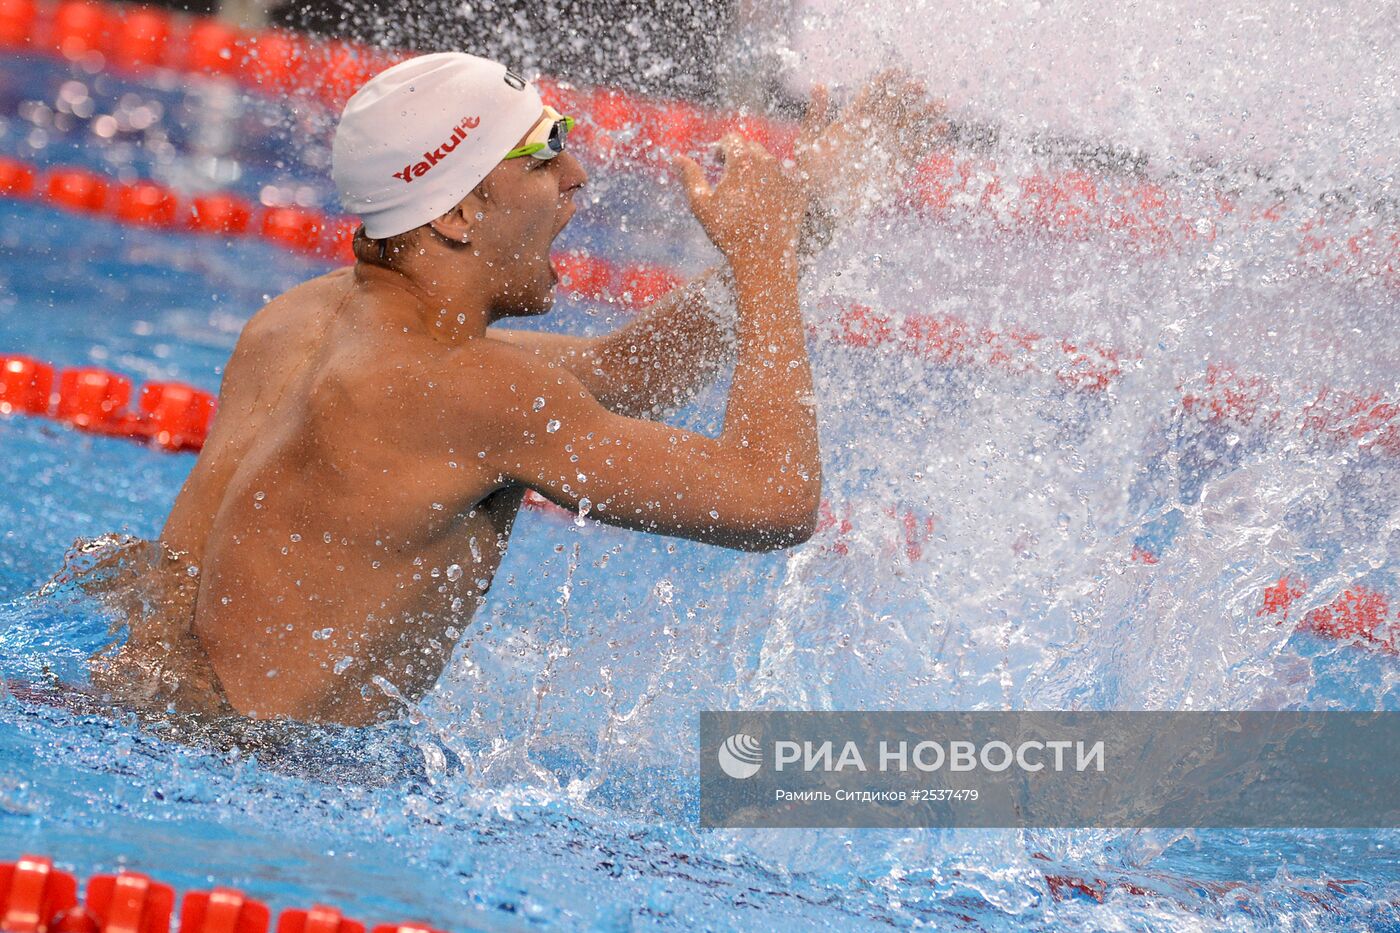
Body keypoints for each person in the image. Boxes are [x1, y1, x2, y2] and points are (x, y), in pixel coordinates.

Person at [86, 53, 938, 726]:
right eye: (544, 154)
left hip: (154, 720)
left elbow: (625, 374)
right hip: (261, 786)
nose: (577, 180)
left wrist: (812, 214)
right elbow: (775, 498)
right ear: (453, 212)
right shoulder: (464, 393)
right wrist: (761, 262)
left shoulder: (304, 322)